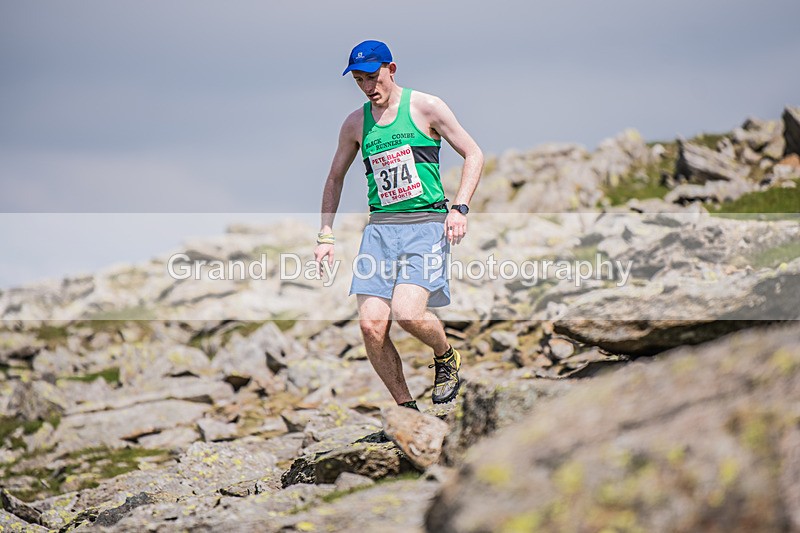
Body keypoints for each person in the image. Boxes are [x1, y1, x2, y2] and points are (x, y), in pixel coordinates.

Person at [314, 40, 483, 408]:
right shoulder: (355, 123)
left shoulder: (427, 107)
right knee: (370, 326)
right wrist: (325, 234)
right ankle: (406, 407)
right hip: (380, 231)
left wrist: (460, 208)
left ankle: (445, 355)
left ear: (391, 69)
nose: (368, 87)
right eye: (359, 80)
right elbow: (334, 178)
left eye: (373, 77)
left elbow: (473, 153)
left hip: (426, 225)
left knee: (408, 314)